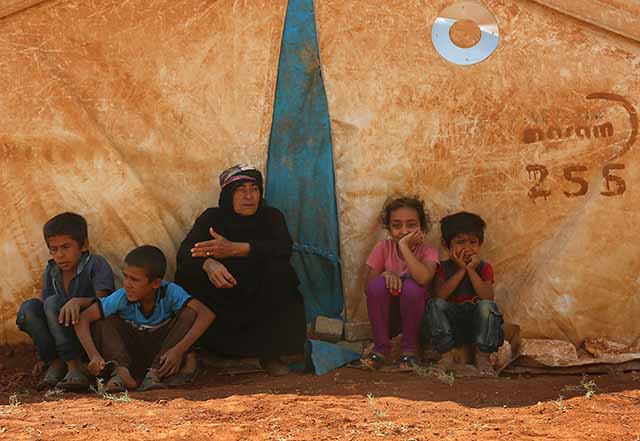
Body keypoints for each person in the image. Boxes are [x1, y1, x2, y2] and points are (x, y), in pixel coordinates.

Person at [175, 164, 307, 376]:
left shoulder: (271, 217)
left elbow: (283, 248)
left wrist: (237, 249)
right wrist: (208, 264)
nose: (249, 196)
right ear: (228, 195)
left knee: (281, 273)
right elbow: (185, 252)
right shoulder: (212, 219)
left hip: (259, 295)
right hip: (223, 294)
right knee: (187, 275)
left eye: (254, 189)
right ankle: (210, 353)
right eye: (241, 190)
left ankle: (272, 354)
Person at [74, 245, 215, 392]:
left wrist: (179, 350)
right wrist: (94, 355)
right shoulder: (122, 296)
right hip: (130, 355)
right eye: (125, 276)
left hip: (162, 354)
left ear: (155, 283)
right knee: (103, 319)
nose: (127, 284)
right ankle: (122, 373)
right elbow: (84, 318)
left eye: (134, 280)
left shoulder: (169, 292)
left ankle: (154, 374)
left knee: (189, 313)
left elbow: (206, 314)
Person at [15, 212, 115, 391]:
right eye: (54, 249)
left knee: (53, 303)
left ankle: (75, 366)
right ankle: (55, 362)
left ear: (84, 245)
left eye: (66, 247)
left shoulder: (96, 264)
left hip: (86, 332)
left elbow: (105, 301)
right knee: (29, 309)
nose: (59, 255)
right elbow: (47, 306)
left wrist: (79, 302)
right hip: (60, 331)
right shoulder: (52, 270)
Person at [361, 196, 438, 370]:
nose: (404, 231)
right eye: (396, 225)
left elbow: (423, 278)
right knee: (377, 285)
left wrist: (403, 246)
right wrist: (386, 274)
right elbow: (368, 289)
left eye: (411, 225)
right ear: (389, 228)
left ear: (421, 227)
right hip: (391, 319)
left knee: (411, 287)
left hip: (418, 322)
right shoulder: (383, 248)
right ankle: (381, 348)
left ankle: (410, 350)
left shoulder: (428, 251)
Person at [423, 211, 504, 375]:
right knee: (434, 305)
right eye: (460, 242)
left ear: (480, 244)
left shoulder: (484, 268)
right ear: (445, 244)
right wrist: (461, 270)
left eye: (473, 242)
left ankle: (483, 358)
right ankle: (446, 357)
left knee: (487, 306)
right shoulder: (442, 268)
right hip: (451, 327)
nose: (467, 248)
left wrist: (471, 270)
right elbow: (440, 296)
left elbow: (487, 297)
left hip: (477, 327)